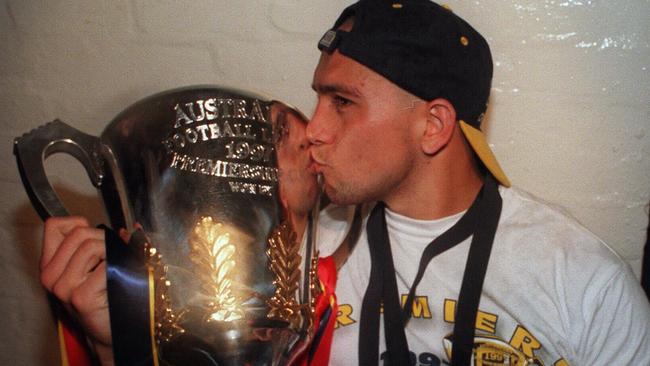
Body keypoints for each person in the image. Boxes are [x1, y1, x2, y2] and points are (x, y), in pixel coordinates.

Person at [308, 0, 650, 365]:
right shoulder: (306, 248)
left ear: (434, 125)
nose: (314, 129)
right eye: (320, 99)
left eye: (342, 101)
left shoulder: (585, 282)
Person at [39, 102, 322, 366]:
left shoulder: (335, 277)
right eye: (278, 133)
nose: (308, 141)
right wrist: (121, 348)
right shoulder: (170, 275)